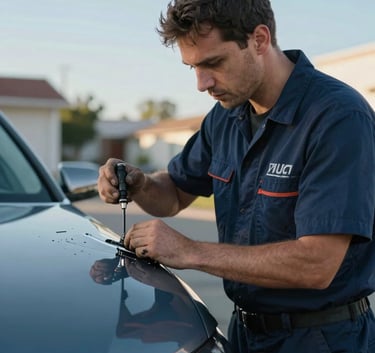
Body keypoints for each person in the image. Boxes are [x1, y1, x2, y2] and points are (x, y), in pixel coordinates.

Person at [97, 0, 375, 352]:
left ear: (259, 40)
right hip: (245, 333)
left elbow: (317, 264)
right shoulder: (225, 118)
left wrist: (190, 251)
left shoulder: (337, 118)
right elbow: (173, 195)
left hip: (322, 339)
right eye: (193, 67)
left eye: (213, 63)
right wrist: (139, 184)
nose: (202, 83)